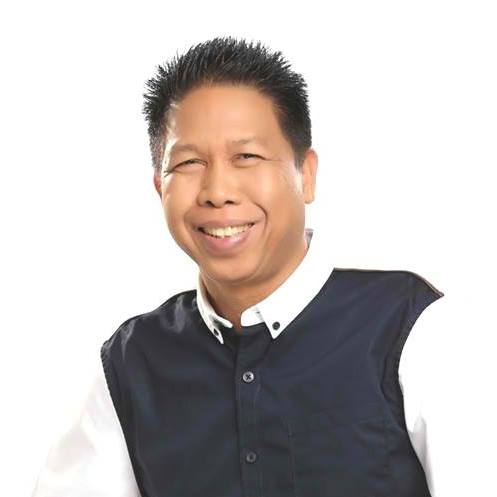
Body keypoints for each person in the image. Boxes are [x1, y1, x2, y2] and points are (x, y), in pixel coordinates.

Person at [31, 35, 447, 497]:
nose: (217, 191)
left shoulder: (410, 327)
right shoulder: (131, 364)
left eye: (246, 157)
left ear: (306, 174)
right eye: (189, 162)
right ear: (159, 186)